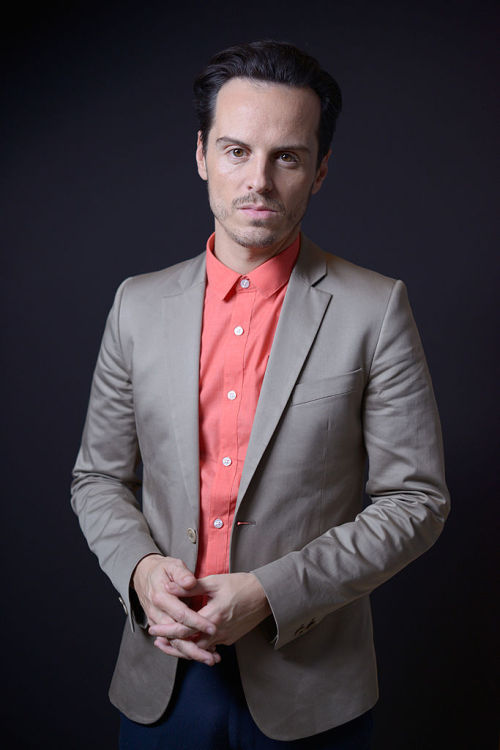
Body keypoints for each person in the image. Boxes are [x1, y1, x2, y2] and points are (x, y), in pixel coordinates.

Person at [71, 40, 450, 749]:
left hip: (314, 691)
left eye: (288, 157)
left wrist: (274, 592)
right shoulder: (136, 305)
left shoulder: (376, 308)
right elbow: (97, 477)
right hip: (161, 682)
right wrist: (141, 570)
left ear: (321, 169)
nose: (260, 181)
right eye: (237, 150)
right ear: (201, 154)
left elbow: (417, 501)